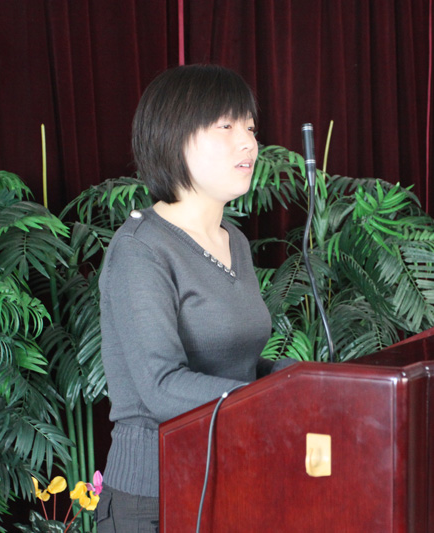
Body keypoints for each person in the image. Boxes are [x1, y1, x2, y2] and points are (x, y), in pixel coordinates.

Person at [95, 64, 293, 532]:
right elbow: (162, 386)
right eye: (226, 126)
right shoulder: (141, 249)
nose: (248, 143)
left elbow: (236, 365)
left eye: (250, 128)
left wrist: (301, 380)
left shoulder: (233, 241)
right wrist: (274, 400)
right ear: (173, 137)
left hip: (232, 480)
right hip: (155, 499)